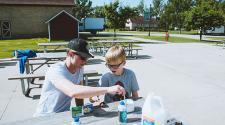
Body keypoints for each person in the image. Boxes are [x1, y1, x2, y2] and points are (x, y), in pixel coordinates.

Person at [34, 38, 125, 117]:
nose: (85, 61)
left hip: (63, 114)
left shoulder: (79, 68)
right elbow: (73, 91)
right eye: (83, 57)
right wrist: (108, 89)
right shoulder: (55, 70)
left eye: (87, 58)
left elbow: (79, 93)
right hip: (45, 116)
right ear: (70, 54)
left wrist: (81, 109)